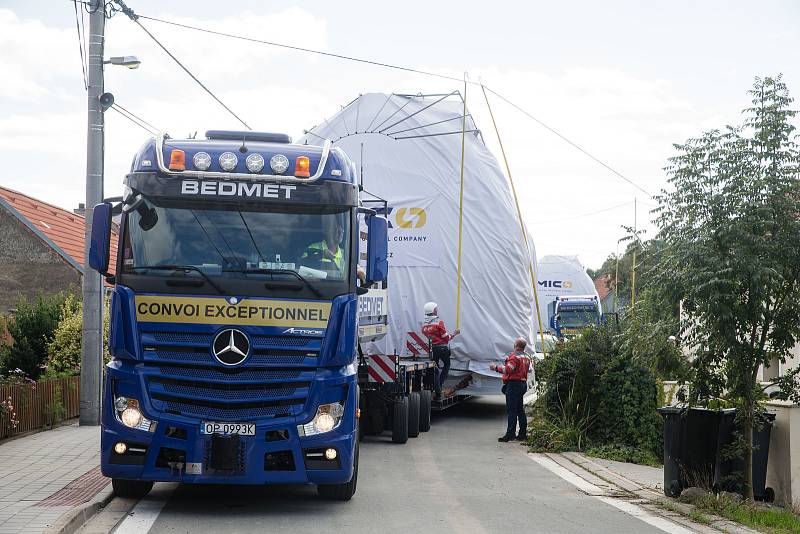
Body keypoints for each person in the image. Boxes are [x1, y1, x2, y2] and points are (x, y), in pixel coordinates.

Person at [490, 338, 532, 442]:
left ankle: (510, 434)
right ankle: (522, 434)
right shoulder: (527, 356)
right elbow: (529, 370)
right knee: (520, 410)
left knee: (512, 411)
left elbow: (508, 369)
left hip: (514, 385)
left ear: (516, 345)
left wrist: (495, 367)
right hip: (522, 384)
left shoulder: (515, 357)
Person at [421, 302, 460, 398]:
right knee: (447, 365)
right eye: (436, 309)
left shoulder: (424, 326)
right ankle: (440, 384)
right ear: (434, 311)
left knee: (435, 369)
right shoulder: (439, 323)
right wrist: (454, 334)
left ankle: (436, 387)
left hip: (432, 349)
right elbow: (445, 337)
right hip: (442, 348)